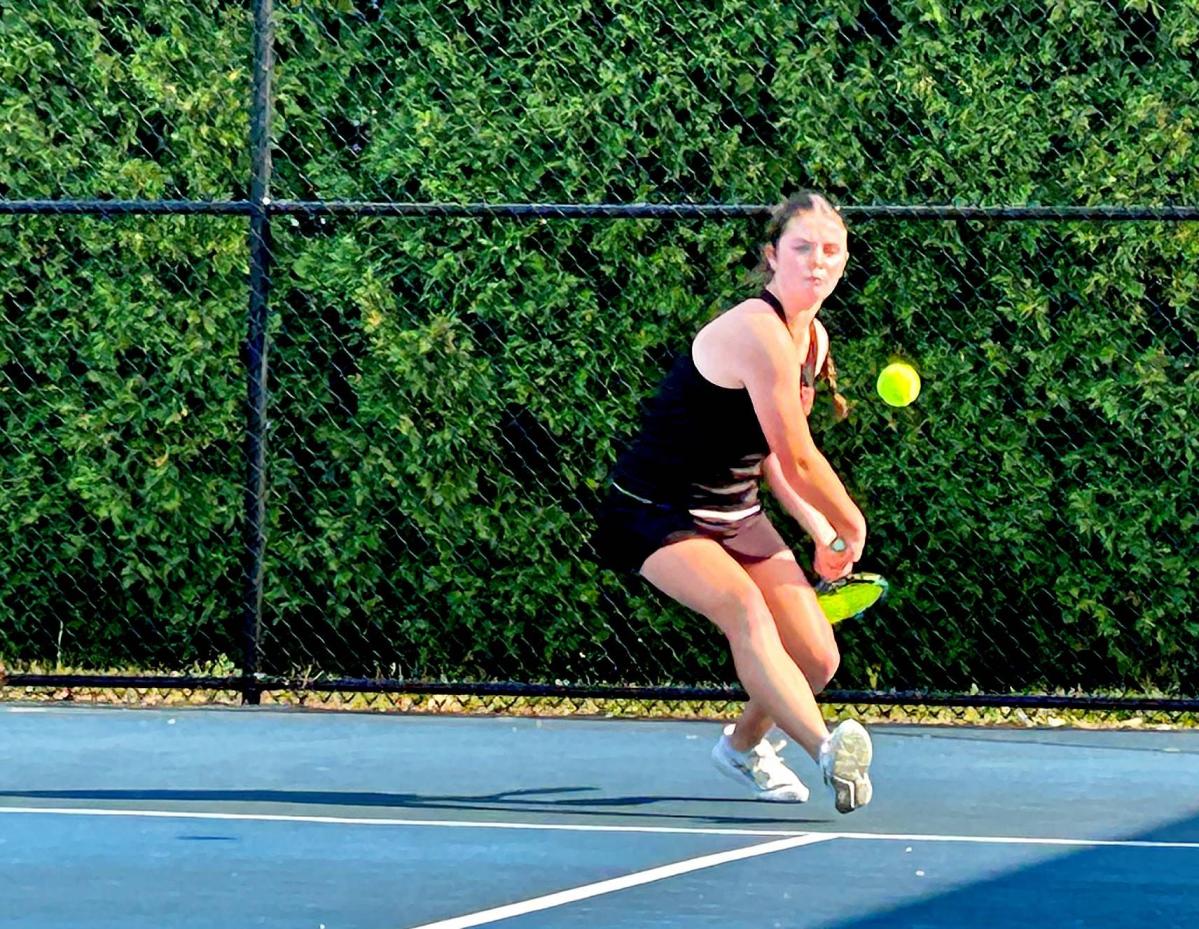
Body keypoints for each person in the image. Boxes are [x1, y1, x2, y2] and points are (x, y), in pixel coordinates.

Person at [593, 192, 873, 813]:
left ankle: (742, 749)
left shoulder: (813, 340)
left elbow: (775, 460)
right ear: (773, 257)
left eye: (831, 251)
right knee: (746, 610)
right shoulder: (755, 328)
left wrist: (821, 531)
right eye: (802, 249)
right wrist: (852, 521)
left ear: (844, 261)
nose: (816, 262)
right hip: (658, 511)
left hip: (735, 514)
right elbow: (801, 458)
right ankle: (829, 753)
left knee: (816, 656)